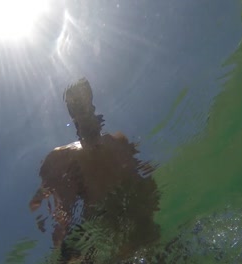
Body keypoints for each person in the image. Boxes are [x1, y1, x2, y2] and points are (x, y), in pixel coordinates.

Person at [29, 78, 160, 263]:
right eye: (76, 105)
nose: (83, 108)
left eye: (84, 102)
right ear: (71, 113)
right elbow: (38, 204)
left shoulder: (119, 142)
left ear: (91, 101)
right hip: (103, 236)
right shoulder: (61, 158)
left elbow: (147, 181)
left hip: (138, 231)